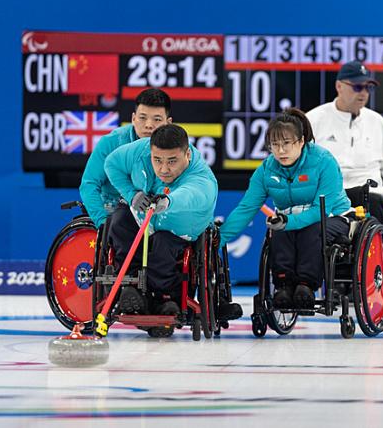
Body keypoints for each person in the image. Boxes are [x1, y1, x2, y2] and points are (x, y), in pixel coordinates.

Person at [105, 123, 241, 335]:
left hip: (179, 231)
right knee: (119, 219)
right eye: (157, 160)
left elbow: (191, 194)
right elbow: (111, 164)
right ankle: (130, 288)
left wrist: (168, 202)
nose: (163, 169)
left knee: (162, 242)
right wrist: (131, 194)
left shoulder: (202, 177)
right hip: (144, 221)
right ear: (150, 151)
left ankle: (166, 298)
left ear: (187, 154)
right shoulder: (139, 151)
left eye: (172, 161)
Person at [219, 108, 353, 309]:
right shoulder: (266, 169)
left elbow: (320, 211)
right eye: (275, 145)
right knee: (278, 231)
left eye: (286, 144)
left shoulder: (324, 161)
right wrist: (218, 239)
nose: (280, 151)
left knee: (310, 230)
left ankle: (306, 285)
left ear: (301, 142)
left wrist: (287, 222)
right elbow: (247, 208)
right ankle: (283, 284)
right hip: (289, 220)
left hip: (333, 216)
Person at [307, 60, 383, 229]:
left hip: (369, 197)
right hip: (329, 196)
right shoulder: (314, 120)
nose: (363, 93)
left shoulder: (377, 122)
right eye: (357, 87)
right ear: (339, 86)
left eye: (367, 87)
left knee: (376, 203)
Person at [79, 88, 172, 229]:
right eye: (142, 118)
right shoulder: (110, 143)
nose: (148, 125)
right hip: (114, 214)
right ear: (133, 119)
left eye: (157, 119)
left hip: (155, 216)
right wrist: (102, 222)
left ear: (168, 122)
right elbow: (89, 184)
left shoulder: (177, 146)